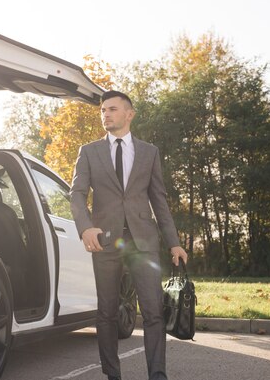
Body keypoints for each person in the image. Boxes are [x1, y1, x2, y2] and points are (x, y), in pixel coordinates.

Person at [70, 90, 188, 380]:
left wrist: (174, 242)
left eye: (111, 109)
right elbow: (77, 193)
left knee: (153, 311)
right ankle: (113, 375)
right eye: (102, 110)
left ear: (129, 114)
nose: (105, 114)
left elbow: (159, 199)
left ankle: (157, 375)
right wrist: (85, 227)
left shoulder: (149, 152)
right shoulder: (89, 151)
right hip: (105, 241)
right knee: (107, 313)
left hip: (143, 241)